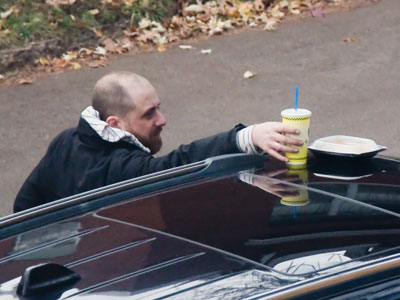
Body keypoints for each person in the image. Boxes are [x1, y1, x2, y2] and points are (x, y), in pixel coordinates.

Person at [14, 71, 303, 212]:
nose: (162, 120)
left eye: (158, 108)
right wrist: (244, 137)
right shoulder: (121, 167)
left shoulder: (65, 141)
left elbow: (25, 204)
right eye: (149, 113)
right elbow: (176, 166)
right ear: (115, 124)